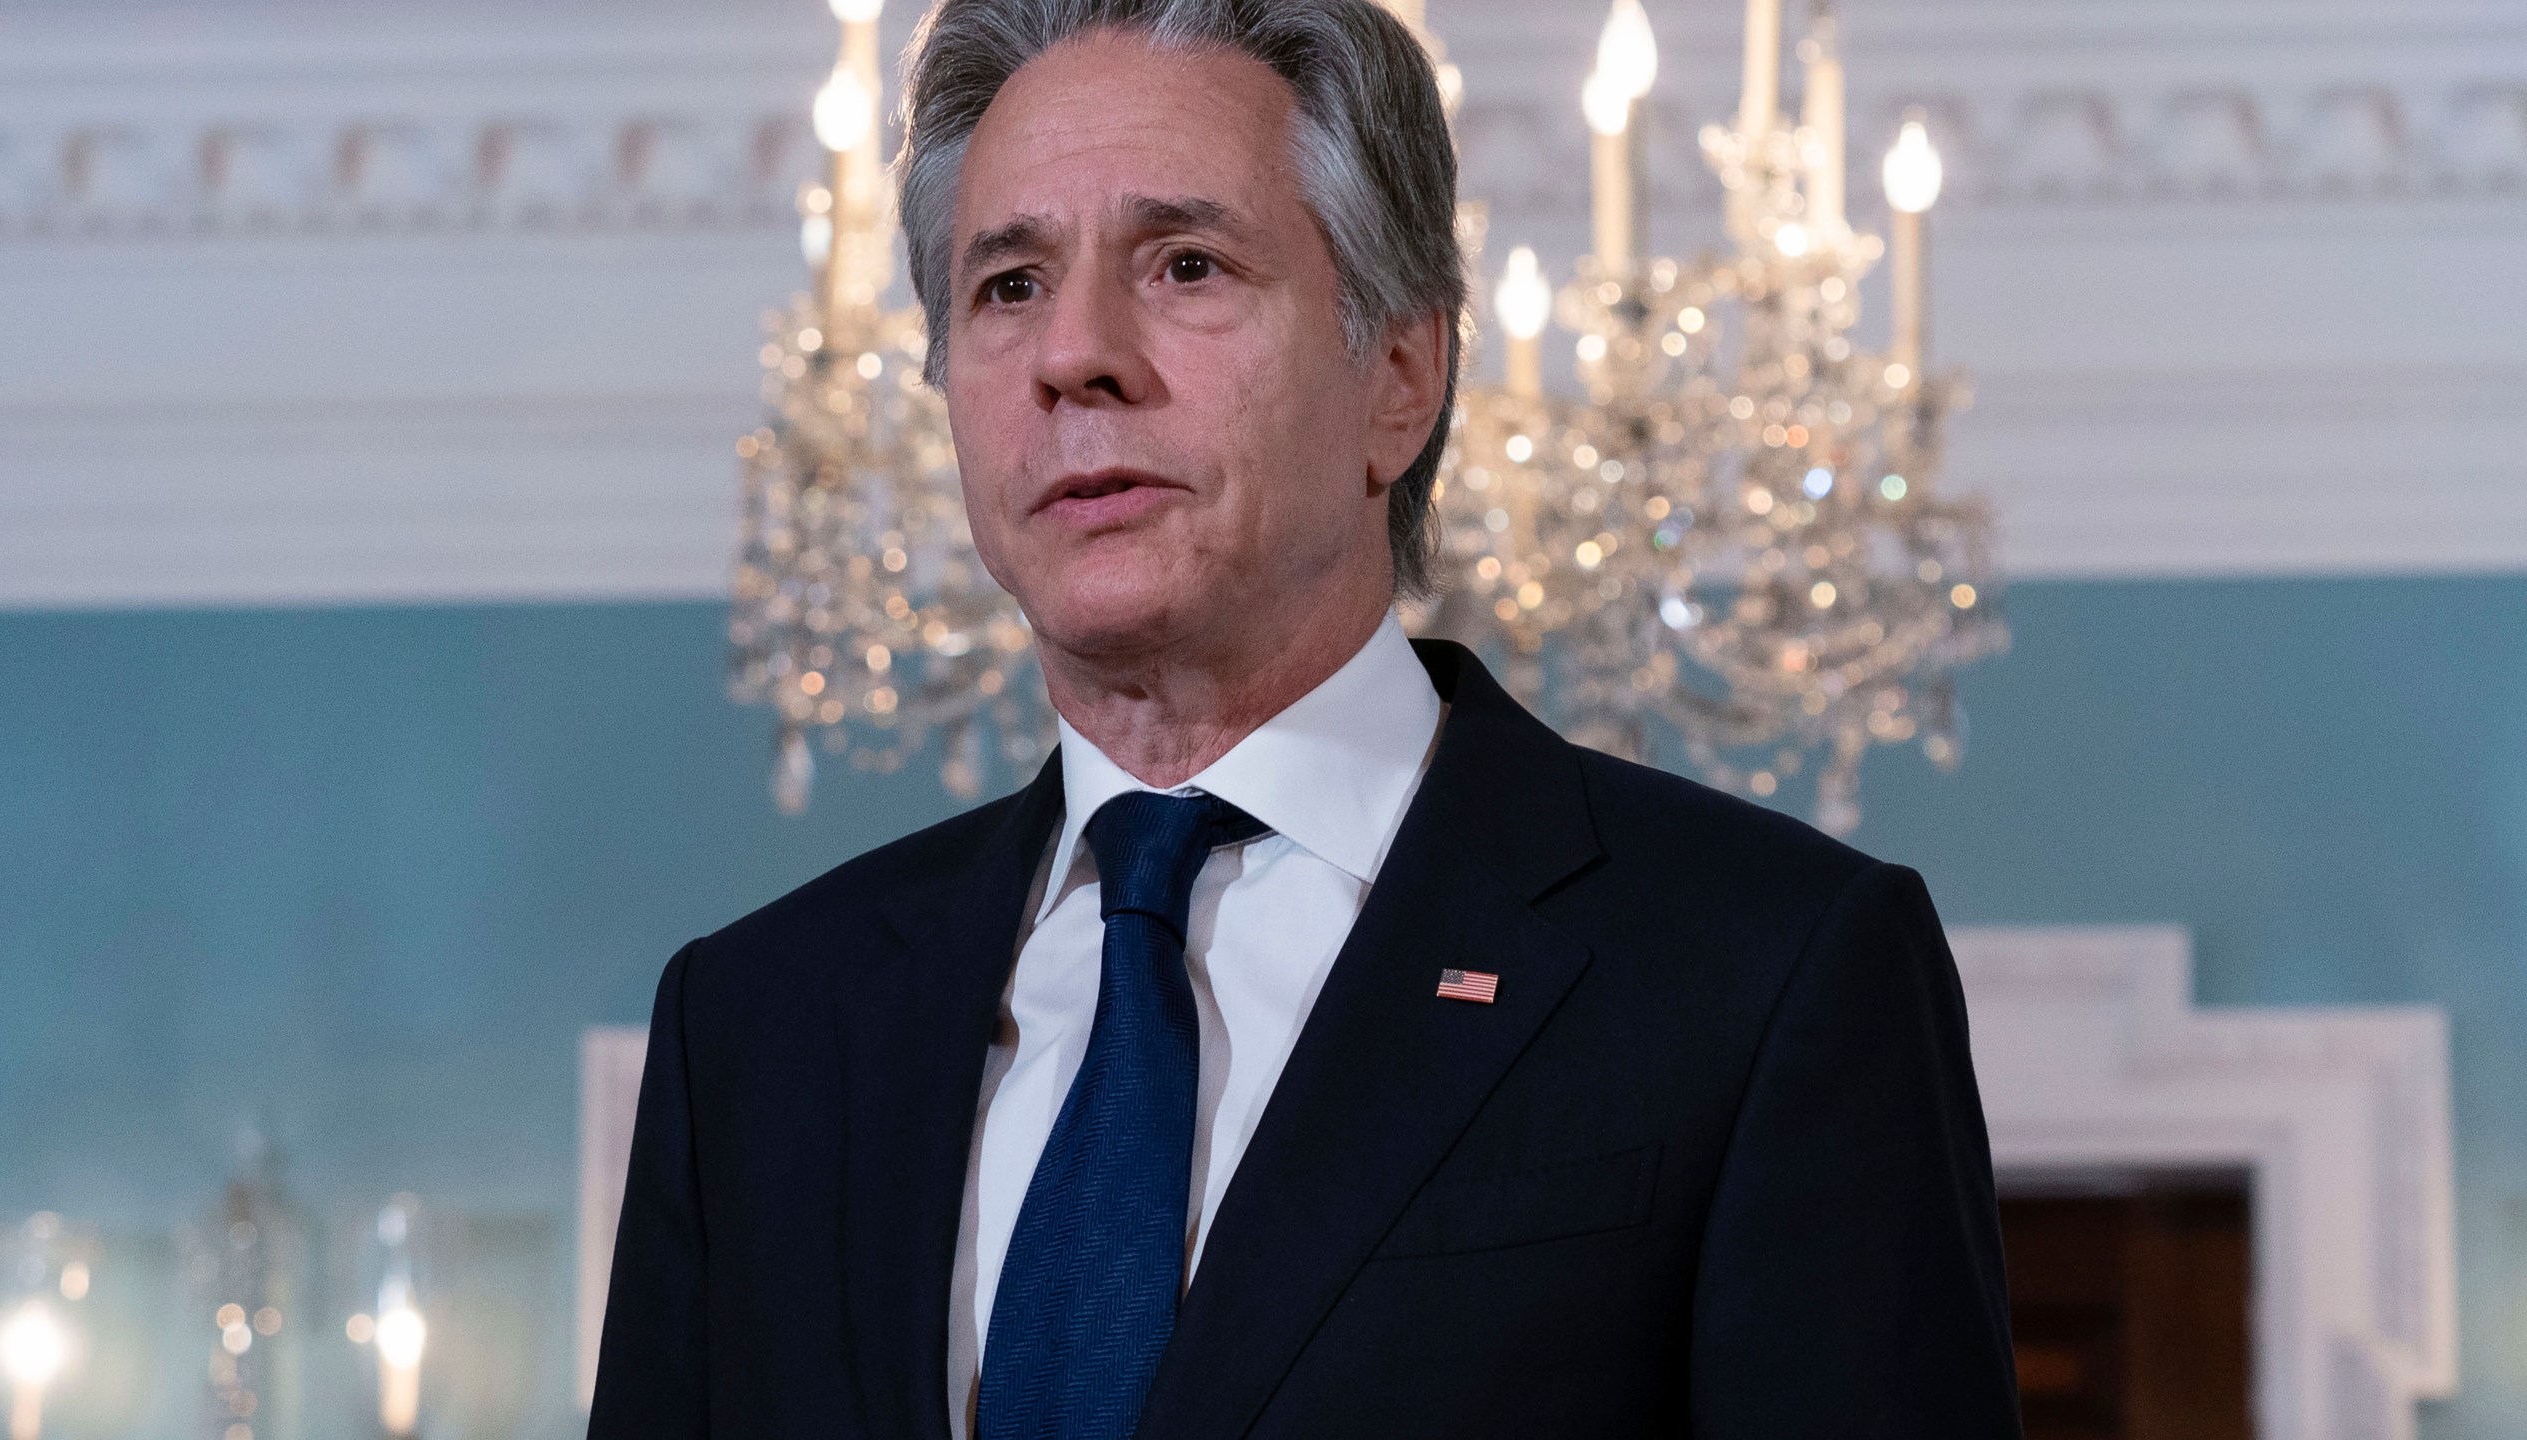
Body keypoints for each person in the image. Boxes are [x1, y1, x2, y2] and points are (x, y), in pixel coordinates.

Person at [589, 1, 2021, 1435]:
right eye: (1008, 285)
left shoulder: (1768, 972)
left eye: (1187, 264)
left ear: (1400, 377)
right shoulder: (755, 1032)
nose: (1073, 354)